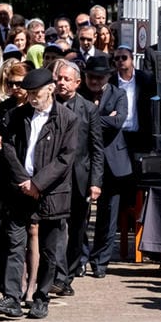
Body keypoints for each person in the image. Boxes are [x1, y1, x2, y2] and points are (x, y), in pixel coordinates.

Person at [0, 65, 80, 318]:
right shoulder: (17, 116)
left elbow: (65, 158)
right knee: (14, 244)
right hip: (20, 190)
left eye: (36, 92)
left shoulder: (67, 119)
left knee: (51, 248)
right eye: (28, 93)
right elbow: (8, 146)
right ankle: (11, 298)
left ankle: (41, 297)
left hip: (51, 193)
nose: (31, 97)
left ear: (50, 89)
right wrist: (23, 181)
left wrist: (38, 184)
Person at [53, 59, 103, 296]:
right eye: (59, 78)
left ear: (77, 82)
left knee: (77, 230)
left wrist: (95, 182)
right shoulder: (48, 105)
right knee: (57, 227)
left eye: (66, 79)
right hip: (53, 178)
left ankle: (68, 275)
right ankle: (57, 276)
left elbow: (96, 148)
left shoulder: (89, 109)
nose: (61, 83)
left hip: (79, 179)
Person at [82, 54, 131, 277]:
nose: (95, 81)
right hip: (85, 161)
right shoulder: (79, 95)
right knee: (81, 214)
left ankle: (100, 261)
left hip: (113, 163)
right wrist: (103, 118)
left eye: (99, 77)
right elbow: (74, 118)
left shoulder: (119, 94)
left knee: (108, 215)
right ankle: (80, 258)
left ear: (108, 77)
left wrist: (90, 119)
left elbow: (117, 121)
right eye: (91, 76)